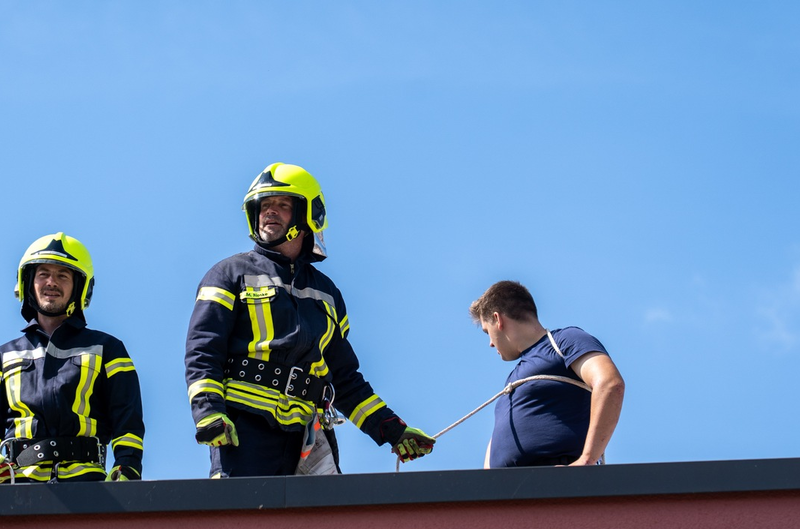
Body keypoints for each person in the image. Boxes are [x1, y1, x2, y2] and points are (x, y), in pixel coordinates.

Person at [185, 162, 434, 477]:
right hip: (244, 430)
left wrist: (391, 430)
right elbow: (203, 350)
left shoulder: (327, 293)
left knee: (325, 523)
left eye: (282, 204)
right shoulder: (228, 274)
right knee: (245, 522)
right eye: (264, 205)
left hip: (309, 434)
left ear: (307, 216)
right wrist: (208, 413)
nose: (269, 212)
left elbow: (344, 380)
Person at [0, 233, 145, 483]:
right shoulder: (5, 356)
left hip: (87, 488)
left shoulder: (107, 349)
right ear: (28, 282)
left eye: (62, 275)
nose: (51, 282)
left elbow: (127, 420)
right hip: (16, 488)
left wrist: (128, 467)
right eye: (43, 273)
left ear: (80, 287)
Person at [469, 280, 624, 468]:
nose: (491, 344)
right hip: (509, 492)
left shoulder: (564, 341)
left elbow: (609, 383)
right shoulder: (516, 378)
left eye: (487, 332)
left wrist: (587, 460)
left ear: (498, 319)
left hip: (556, 482)